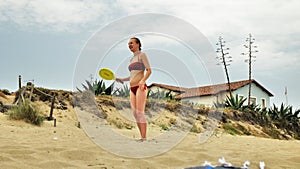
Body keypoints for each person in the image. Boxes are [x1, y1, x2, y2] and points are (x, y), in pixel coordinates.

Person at [116, 37, 152, 141]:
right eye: (128, 44)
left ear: (138, 44)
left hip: (140, 87)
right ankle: (142, 137)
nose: (129, 45)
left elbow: (149, 70)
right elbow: (132, 76)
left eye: (131, 43)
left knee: (140, 113)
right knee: (135, 114)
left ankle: (144, 138)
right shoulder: (131, 59)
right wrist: (122, 79)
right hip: (131, 88)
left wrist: (143, 81)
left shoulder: (142, 55)